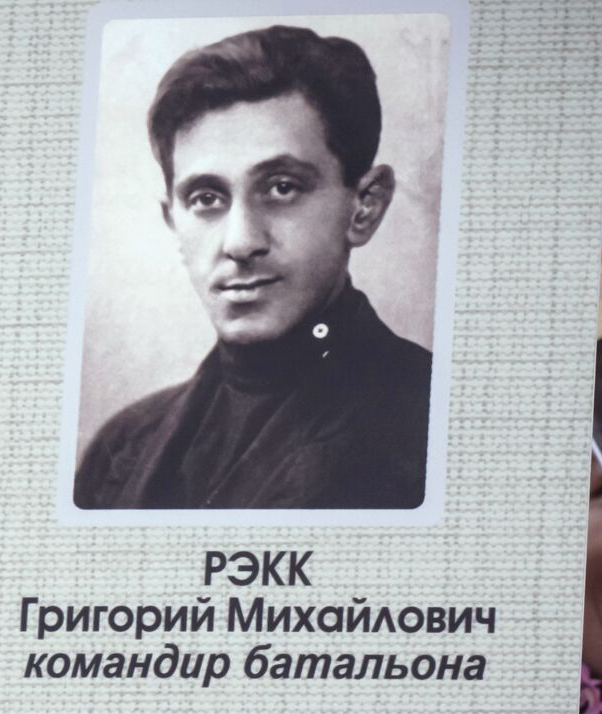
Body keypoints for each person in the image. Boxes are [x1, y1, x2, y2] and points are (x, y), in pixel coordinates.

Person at [74, 25, 432, 511]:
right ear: (173, 222)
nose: (241, 241)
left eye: (281, 187)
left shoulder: (437, 421)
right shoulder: (121, 449)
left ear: (364, 206)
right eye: (206, 198)